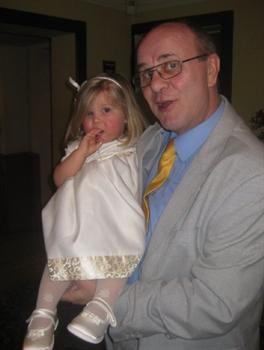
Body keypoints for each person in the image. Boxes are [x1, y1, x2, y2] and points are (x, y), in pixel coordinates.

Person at [63, 21, 264, 350]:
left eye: (171, 66)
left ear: (211, 69)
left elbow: (214, 302)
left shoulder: (250, 173)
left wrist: (104, 298)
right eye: (145, 73)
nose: (155, 84)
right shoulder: (151, 141)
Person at [23, 72, 147, 350]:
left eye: (106, 110)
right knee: (57, 263)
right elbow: (58, 178)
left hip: (114, 225)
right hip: (75, 224)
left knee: (120, 257)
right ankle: (43, 314)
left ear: (126, 115)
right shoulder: (78, 148)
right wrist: (81, 152)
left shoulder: (132, 149)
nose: (97, 120)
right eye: (89, 113)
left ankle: (102, 306)